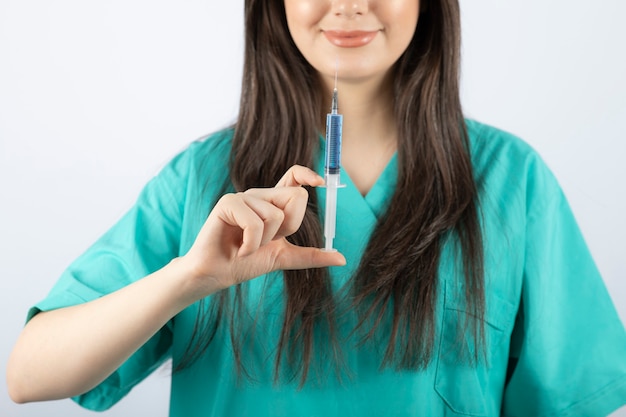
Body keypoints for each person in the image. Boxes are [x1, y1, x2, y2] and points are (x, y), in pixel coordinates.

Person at [7, 0, 626, 415]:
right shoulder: (202, 183)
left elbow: (576, 396)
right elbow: (29, 375)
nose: (351, 4)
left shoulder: (510, 180)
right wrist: (188, 278)